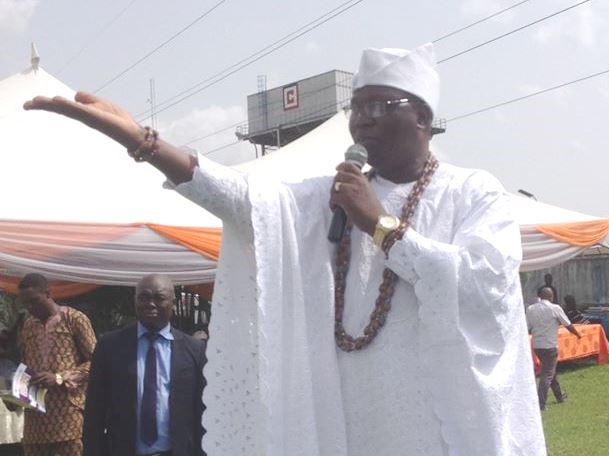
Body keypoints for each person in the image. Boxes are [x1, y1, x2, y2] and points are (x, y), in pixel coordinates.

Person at [25, 43, 546, 455]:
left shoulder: (471, 192)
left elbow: (483, 284)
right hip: (351, 428)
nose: (362, 120)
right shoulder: (333, 196)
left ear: (424, 119)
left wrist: (379, 225)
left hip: (440, 427)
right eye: (357, 107)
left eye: (379, 106)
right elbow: (243, 199)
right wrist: (144, 142)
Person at [82, 274, 207, 456]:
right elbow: (94, 410)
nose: (150, 304)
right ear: (135, 301)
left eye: (159, 298)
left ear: (173, 302)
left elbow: (203, 410)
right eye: (144, 297)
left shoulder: (195, 349)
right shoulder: (110, 346)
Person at [15, 273, 96, 456]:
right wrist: (17, 392)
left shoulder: (74, 319)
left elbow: (96, 362)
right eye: (26, 303)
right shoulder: (28, 325)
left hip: (68, 417)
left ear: (48, 294)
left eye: (34, 301)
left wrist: (59, 378)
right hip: (35, 420)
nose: (30, 308)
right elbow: (25, 365)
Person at [526, 287, 581, 411]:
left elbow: (527, 327)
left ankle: (559, 396)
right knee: (547, 374)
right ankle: (541, 403)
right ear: (551, 297)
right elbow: (567, 324)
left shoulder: (530, 309)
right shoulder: (555, 308)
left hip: (537, 346)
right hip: (550, 346)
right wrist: (577, 334)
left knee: (551, 371)